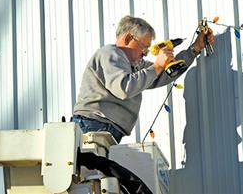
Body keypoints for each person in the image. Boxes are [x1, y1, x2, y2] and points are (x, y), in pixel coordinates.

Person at [72, 15, 215, 143]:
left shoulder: (134, 65)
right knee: (92, 171)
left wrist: (195, 48)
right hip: (93, 124)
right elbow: (124, 88)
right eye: (144, 47)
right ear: (128, 38)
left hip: (104, 128)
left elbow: (163, 74)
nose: (145, 54)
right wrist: (157, 66)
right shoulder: (110, 53)